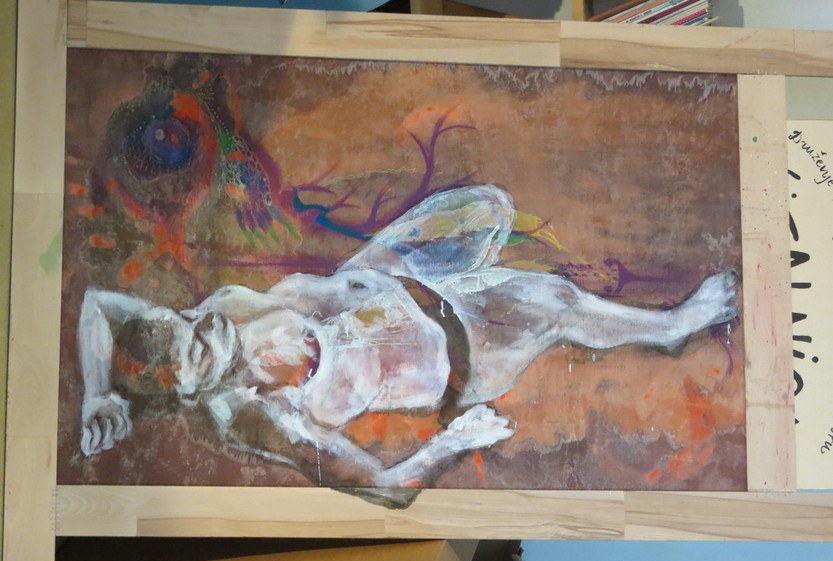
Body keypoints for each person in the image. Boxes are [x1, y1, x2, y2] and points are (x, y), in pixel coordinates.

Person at [78, 185, 738, 493]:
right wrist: (455, 441)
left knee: (499, 213)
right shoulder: (259, 418)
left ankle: (664, 324)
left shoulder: (221, 308)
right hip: (461, 362)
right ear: (189, 390)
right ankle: (672, 327)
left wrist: (96, 394)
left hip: (416, 285)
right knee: (558, 310)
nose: (206, 322)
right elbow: (383, 485)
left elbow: (97, 302)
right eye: (196, 348)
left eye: (187, 318)